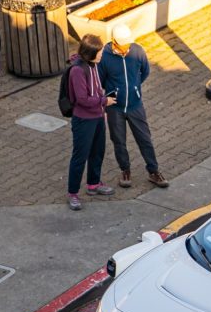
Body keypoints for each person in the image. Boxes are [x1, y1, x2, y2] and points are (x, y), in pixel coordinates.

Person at [97, 24, 169, 189]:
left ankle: (154, 171)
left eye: (127, 44)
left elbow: (145, 71)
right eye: (122, 45)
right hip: (115, 108)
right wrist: (113, 94)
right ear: (114, 42)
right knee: (119, 141)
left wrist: (134, 88)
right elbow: (100, 80)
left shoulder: (137, 51)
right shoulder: (104, 57)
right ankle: (125, 170)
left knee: (145, 139)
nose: (126, 48)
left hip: (135, 105)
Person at [66, 34, 115, 211]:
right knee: (80, 156)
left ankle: (94, 184)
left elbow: (95, 89)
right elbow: (82, 99)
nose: (102, 55)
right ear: (90, 53)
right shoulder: (78, 71)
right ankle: (73, 193)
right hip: (84, 120)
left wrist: (102, 105)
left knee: (98, 151)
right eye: (99, 52)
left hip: (97, 116)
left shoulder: (93, 65)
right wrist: (104, 102)